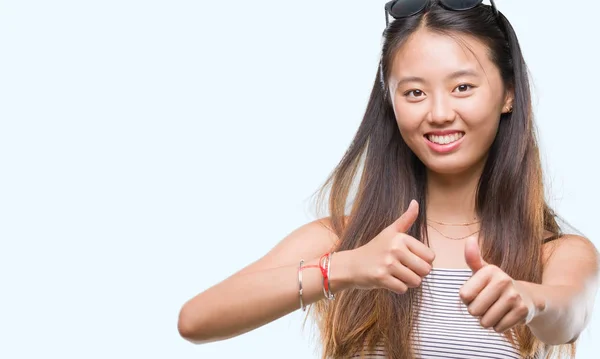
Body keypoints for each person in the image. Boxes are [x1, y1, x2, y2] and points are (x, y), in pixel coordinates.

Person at [177, 0, 599, 358]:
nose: (438, 112)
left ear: (508, 93)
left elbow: (568, 316)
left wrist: (529, 300)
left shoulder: (553, 254)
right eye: (414, 92)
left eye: (463, 87)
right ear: (391, 101)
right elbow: (196, 319)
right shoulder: (344, 239)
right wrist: (343, 268)